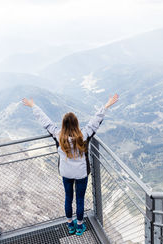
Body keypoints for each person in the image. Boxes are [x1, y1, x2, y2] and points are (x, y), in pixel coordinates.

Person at [22, 93, 118, 236]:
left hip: (66, 172)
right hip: (81, 173)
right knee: (80, 200)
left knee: (68, 198)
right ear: (76, 124)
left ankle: (70, 225)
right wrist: (107, 105)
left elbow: (46, 122)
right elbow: (95, 121)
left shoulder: (58, 135)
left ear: (63, 125)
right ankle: (79, 227)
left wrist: (33, 106)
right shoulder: (84, 135)